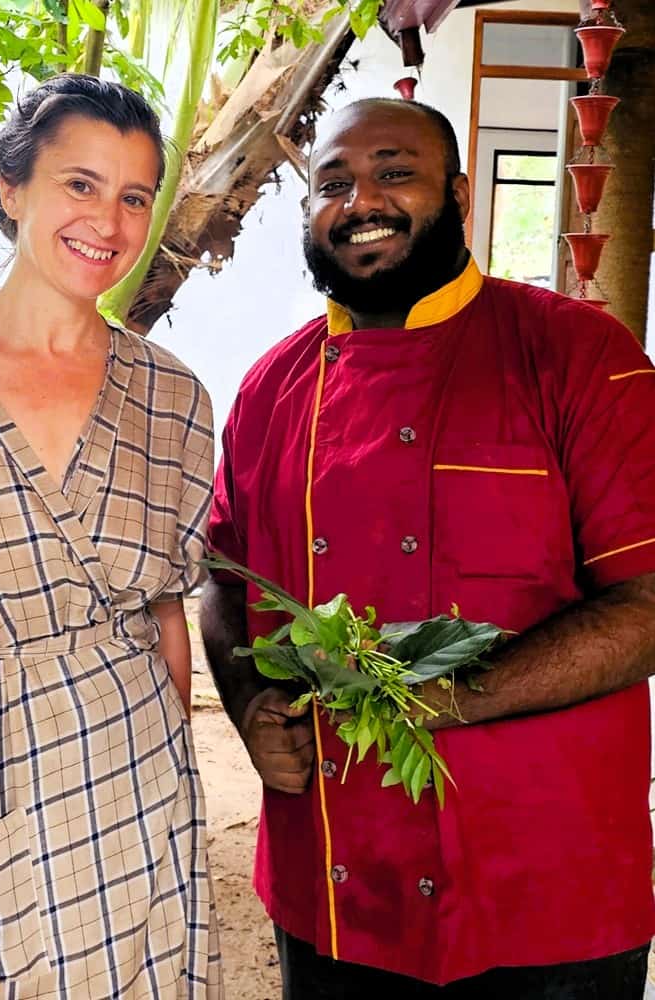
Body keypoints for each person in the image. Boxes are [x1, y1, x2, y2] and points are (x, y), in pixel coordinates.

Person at [200, 96, 655, 999]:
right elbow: (224, 579)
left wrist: (445, 699)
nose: (360, 198)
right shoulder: (269, 387)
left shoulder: (578, 355)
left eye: (393, 172)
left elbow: (648, 604)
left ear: (457, 196)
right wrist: (251, 706)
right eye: (332, 183)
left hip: (545, 889)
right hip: (335, 879)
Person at [0, 74, 222, 999]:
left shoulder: (175, 397)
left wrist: (177, 794)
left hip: (134, 782)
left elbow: (165, 614)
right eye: (79, 184)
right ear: (11, 185)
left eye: (132, 196)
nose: (106, 223)